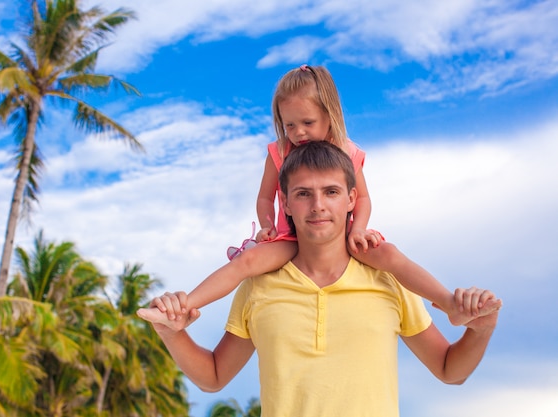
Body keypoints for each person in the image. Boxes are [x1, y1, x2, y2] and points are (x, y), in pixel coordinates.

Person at [138, 141, 502, 416]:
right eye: (303, 194)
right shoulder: (259, 285)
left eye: (330, 192)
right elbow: (213, 377)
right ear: (286, 202)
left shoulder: (389, 280)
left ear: (351, 199)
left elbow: (449, 370)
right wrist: (173, 332)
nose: (317, 206)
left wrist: (480, 330)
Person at [144, 65, 495, 326]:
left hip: (340, 236)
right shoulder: (279, 152)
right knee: (247, 263)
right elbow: (266, 198)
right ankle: (184, 305)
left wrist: (359, 229)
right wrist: (267, 226)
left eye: (307, 123)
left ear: (330, 115)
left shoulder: (346, 151)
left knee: (389, 255)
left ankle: (449, 303)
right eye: (289, 125)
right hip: (292, 236)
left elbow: (364, 198)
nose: (298, 133)